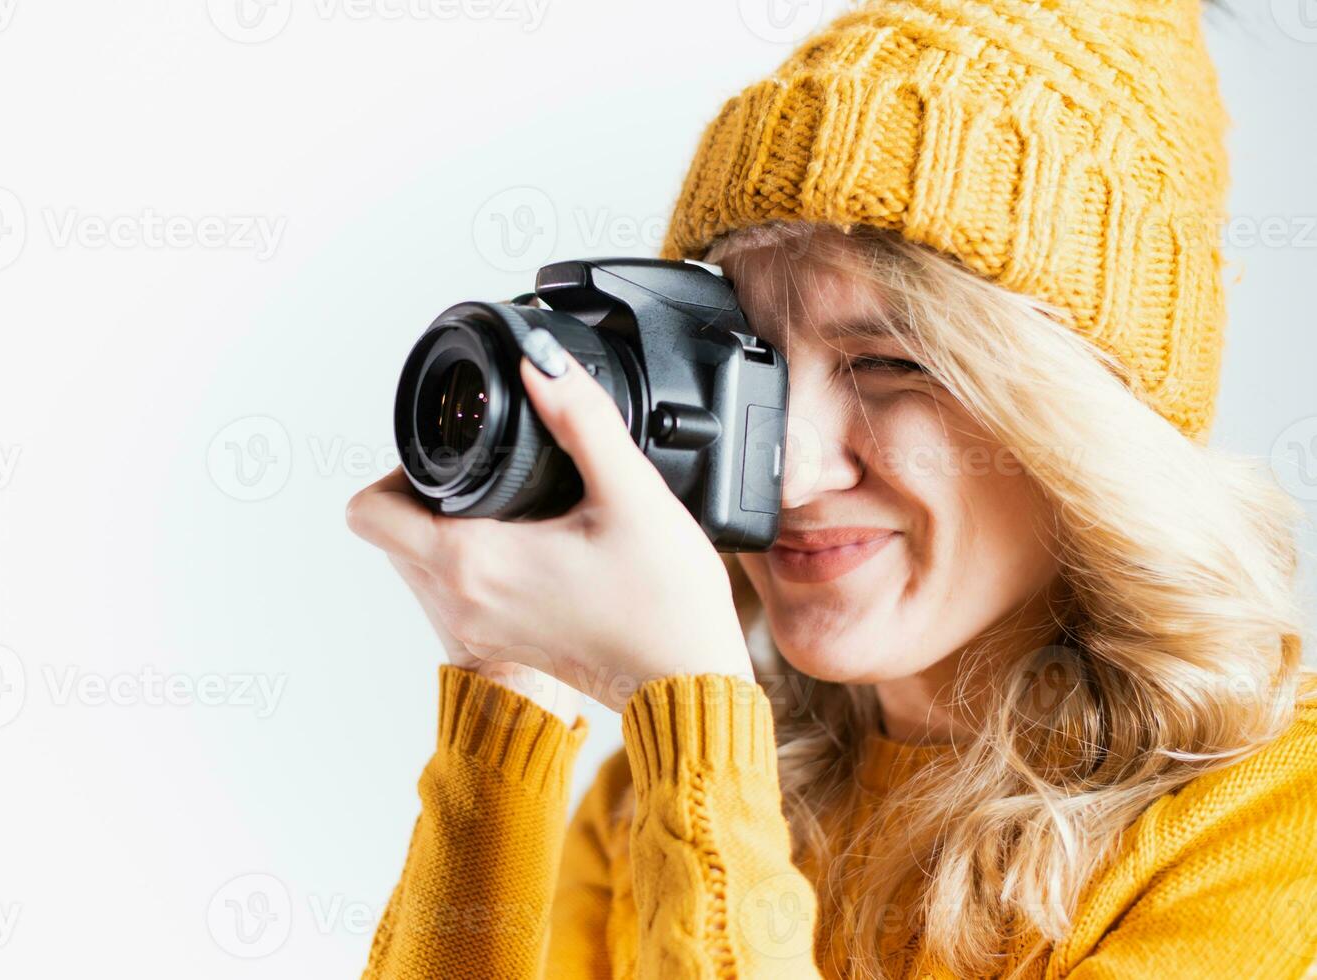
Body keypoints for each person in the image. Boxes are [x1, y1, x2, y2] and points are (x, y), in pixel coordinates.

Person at [344, 0, 1317, 976]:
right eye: (750, 368)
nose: (788, 465)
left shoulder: (1275, 822)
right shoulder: (662, 792)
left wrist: (693, 715)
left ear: (1084, 422)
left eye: (891, 364)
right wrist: (504, 710)